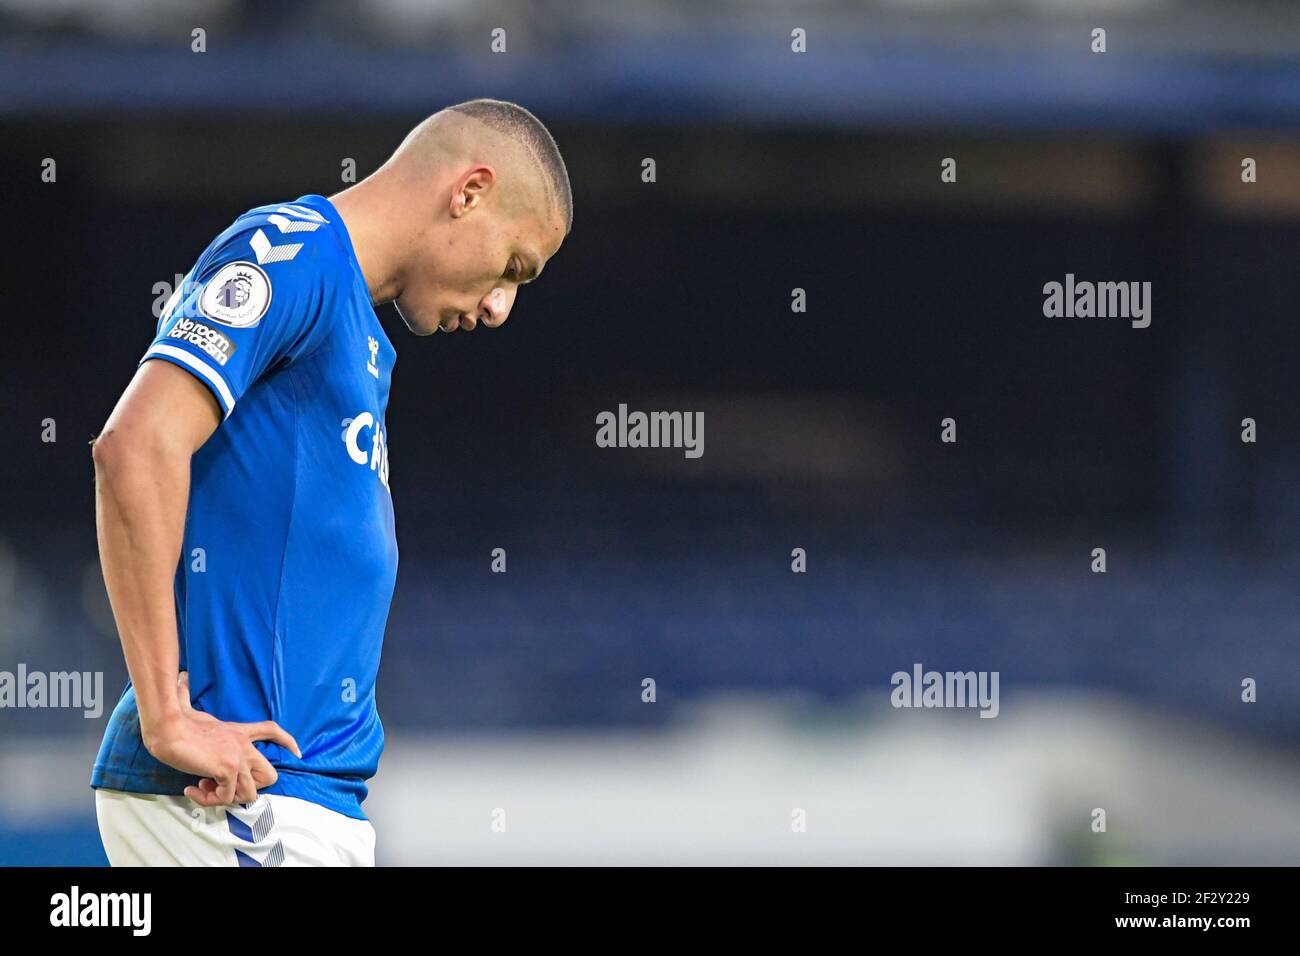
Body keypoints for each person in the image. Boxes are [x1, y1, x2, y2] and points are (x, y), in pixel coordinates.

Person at [89, 99, 571, 866]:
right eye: (513, 267)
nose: (500, 305)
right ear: (469, 190)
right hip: (240, 803)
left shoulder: (355, 335)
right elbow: (135, 446)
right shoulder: (296, 255)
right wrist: (167, 717)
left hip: (299, 807)